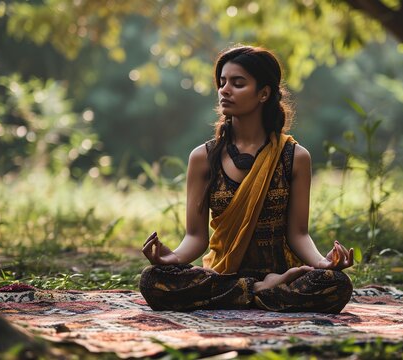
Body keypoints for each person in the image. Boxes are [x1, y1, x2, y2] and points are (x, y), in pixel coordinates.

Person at [139, 45, 354, 313]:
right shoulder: (203, 158)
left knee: (338, 284)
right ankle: (258, 291)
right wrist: (171, 258)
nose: (224, 90)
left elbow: (298, 234)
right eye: (222, 83)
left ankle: (252, 291)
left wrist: (322, 263)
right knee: (152, 280)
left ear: (264, 93)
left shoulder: (294, 157)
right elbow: (195, 237)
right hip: (222, 275)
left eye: (237, 83)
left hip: (282, 273)